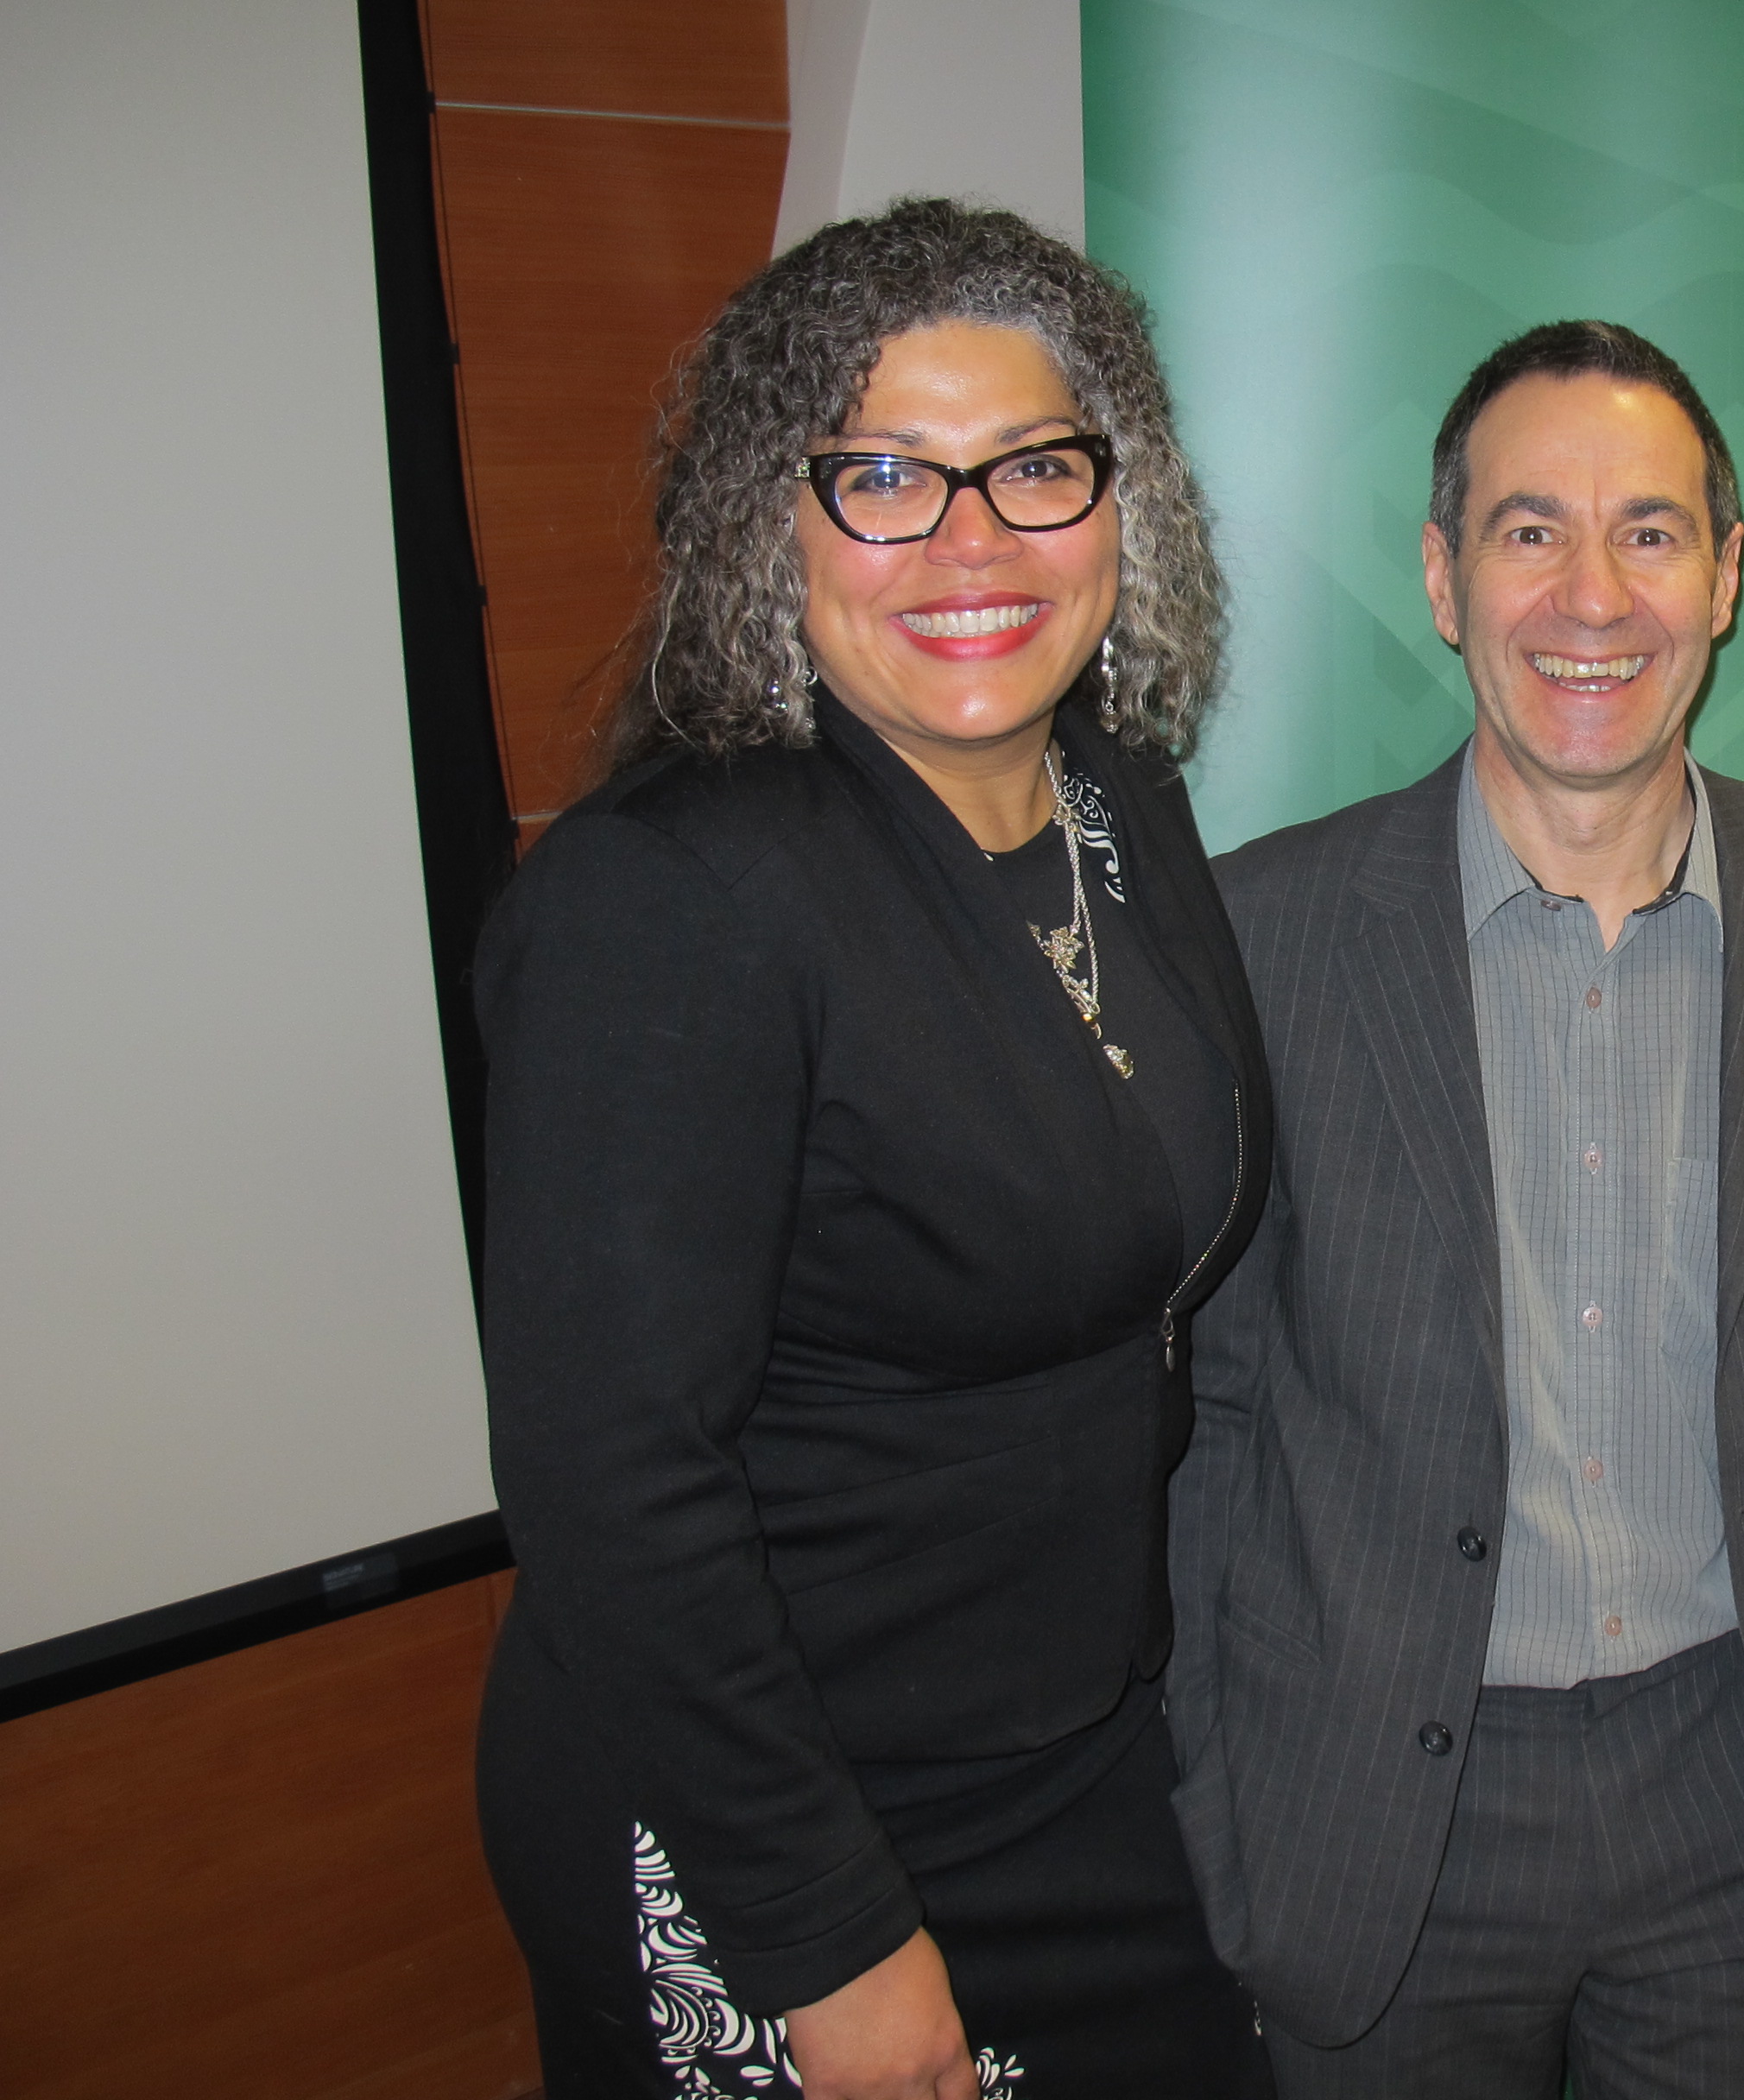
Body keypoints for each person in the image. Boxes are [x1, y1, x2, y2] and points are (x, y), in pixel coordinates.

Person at [474, 199, 1273, 2099]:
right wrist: (822, 1933)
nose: (974, 541)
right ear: (779, 521)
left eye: (1036, 470)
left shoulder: (1120, 807)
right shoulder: (673, 899)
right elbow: (609, 1478)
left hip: (1072, 1756)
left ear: (1123, 502)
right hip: (779, 1808)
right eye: (888, 478)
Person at [1166, 320, 1744, 2097]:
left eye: (1652, 533)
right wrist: (1221, 1809)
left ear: (1730, 575)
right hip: (1382, 1820)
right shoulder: (1258, 942)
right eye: (1530, 531)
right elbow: (1198, 1420)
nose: (1592, 597)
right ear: (1444, 578)